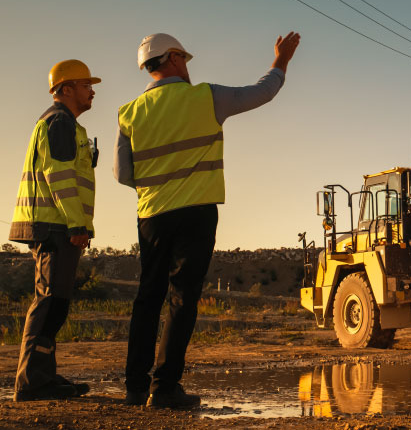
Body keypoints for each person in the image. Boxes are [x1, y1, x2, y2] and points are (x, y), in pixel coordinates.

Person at [115, 31, 300, 408]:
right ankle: (164, 388)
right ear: (172, 59)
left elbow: (122, 174)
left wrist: (157, 184)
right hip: (196, 212)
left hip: (151, 214)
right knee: (182, 298)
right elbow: (261, 92)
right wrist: (280, 61)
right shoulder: (204, 97)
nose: (186, 64)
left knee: (148, 297)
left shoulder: (128, 113)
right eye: (183, 57)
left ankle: (135, 387)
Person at [10, 60, 99, 401]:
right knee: (50, 301)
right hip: (55, 225)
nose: (92, 91)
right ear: (66, 89)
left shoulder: (67, 125)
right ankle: (32, 382)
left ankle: (41, 376)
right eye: (85, 84)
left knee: (55, 301)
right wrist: (77, 224)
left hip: (59, 224)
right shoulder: (59, 122)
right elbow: (58, 176)